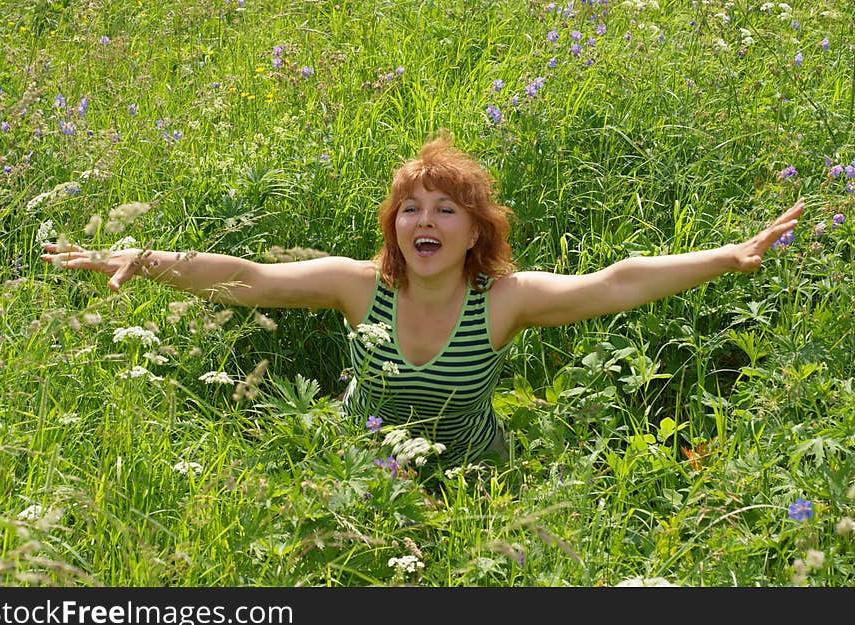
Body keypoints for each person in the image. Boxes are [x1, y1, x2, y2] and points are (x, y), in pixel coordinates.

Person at [42, 132, 803, 469]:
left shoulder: (504, 300)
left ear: (476, 232)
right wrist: (139, 259)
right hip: (361, 466)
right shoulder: (357, 286)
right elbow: (248, 276)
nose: (425, 221)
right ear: (394, 227)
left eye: (445, 209)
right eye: (412, 208)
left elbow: (619, 280)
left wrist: (727, 258)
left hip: (475, 478)